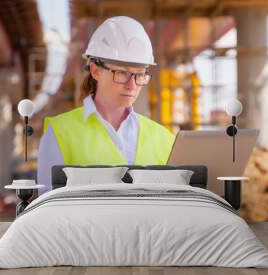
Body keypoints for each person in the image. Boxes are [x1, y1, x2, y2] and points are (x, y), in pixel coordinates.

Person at [37, 16, 175, 194]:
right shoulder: (59, 132)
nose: (132, 85)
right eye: (122, 73)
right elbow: (48, 207)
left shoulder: (164, 137)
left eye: (140, 75)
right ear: (95, 70)